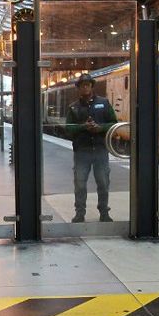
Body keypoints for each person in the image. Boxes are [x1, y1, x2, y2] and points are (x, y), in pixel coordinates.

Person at [66, 73, 117, 223]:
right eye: (82, 85)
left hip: (101, 150)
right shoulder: (73, 108)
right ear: (79, 88)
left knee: (103, 183)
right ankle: (80, 213)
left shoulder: (104, 103)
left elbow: (113, 123)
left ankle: (104, 212)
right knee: (80, 184)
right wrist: (84, 127)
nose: (85, 87)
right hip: (82, 152)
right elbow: (68, 128)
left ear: (92, 86)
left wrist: (100, 128)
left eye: (88, 84)